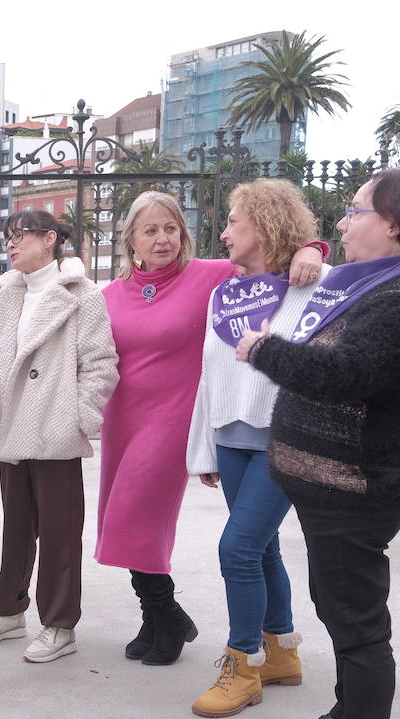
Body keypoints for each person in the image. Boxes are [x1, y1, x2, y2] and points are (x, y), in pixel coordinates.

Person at [237, 165, 400, 719]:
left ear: (392, 223)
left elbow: (345, 374)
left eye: (356, 210)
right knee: (340, 608)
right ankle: (347, 718)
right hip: (335, 485)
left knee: (358, 622)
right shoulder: (383, 283)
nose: (342, 222)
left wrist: (263, 349)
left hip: (358, 485)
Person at [97, 191, 326, 666]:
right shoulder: (110, 294)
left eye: (171, 228)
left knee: (138, 516)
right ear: (131, 241)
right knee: (121, 519)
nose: (163, 239)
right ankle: (159, 617)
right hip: (124, 417)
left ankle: (168, 614)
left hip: (175, 416)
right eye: (150, 231)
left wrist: (313, 248)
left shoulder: (212, 275)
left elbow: (276, 259)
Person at [185, 179, 331, 717]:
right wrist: (206, 448)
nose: (223, 234)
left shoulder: (312, 285)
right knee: (262, 548)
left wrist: (315, 250)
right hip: (231, 438)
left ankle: (242, 665)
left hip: (283, 440)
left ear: (266, 225)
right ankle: (281, 653)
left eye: (233, 223)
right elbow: (209, 374)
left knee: (237, 550)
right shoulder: (224, 294)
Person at [0, 209, 118, 663]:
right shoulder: (9, 294)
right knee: (15, 527)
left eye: (19, 235)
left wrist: (78, 418)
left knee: (60, 533)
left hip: (54, 425)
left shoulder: (81, 294)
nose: (10, 245)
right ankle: (9, 611)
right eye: (7, 237)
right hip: (13, 425)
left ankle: (59, 624)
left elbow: (101, 363)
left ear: (50, 238)